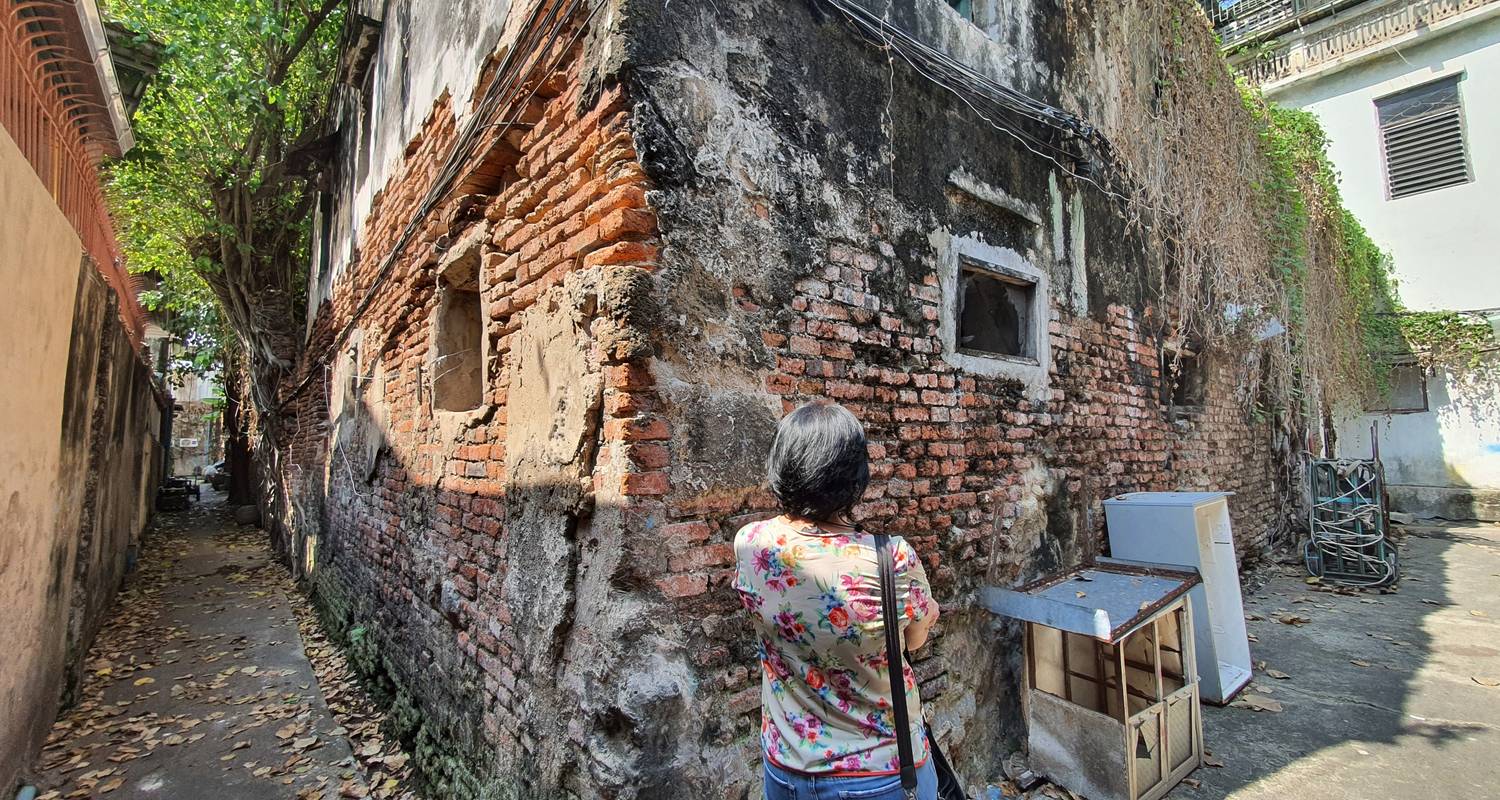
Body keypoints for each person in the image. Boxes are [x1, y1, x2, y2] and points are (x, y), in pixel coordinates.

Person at [734, 400, 941, 800]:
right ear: (854, 477)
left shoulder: (751, 543)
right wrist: (926, 615)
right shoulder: (891, 558)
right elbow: (913, 642)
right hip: (878, 773)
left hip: (785, 767)